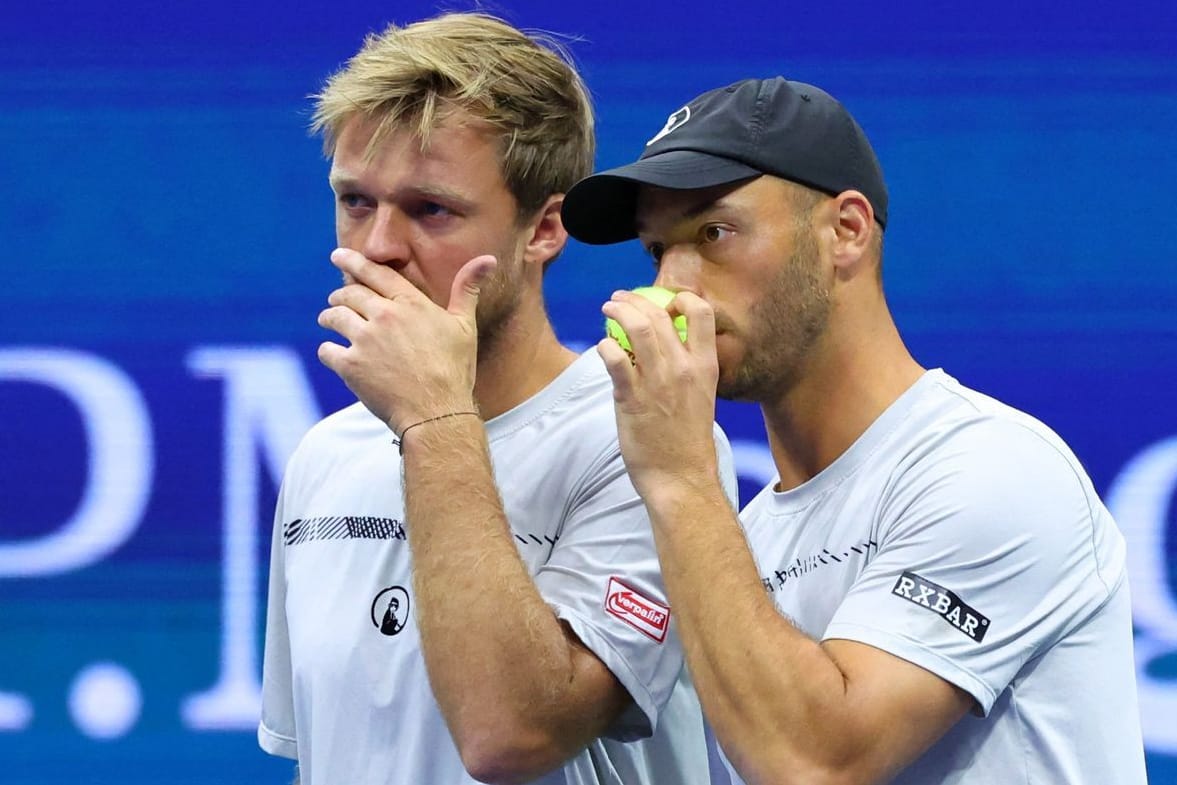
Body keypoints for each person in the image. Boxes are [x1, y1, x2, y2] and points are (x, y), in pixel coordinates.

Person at [560, 76, 1147, 785]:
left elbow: (813, 760)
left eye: (713, 233)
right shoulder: (739, 539)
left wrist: (678, 474)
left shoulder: (993, 468)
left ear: (846, 231)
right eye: (657, 251)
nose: (674, 286)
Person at [256, 12, 738, 785]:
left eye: (430, 209)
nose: (378, 245)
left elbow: (510, 736)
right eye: (355, 201)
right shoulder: (324, 456)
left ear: (543, 228)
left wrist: (431, 416)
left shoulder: (640, 443)